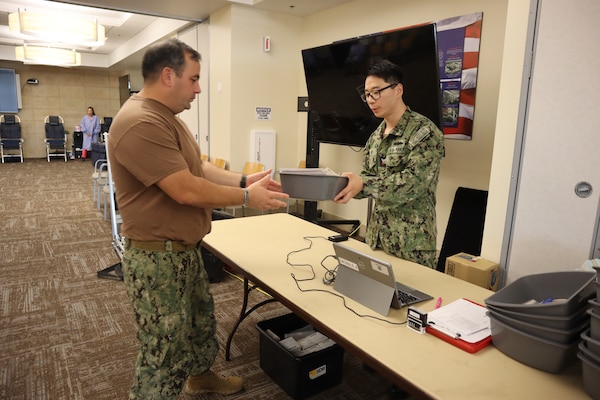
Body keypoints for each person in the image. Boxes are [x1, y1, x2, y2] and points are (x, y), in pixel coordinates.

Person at [108, 38, 289, 400]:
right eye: (194, 79)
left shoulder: (167, 118)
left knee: (198, 325)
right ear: (168, 75)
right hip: (157, 258)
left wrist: (243, 180)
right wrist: (245, 197)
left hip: (182, 250)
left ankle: (200, 377)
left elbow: (199, 168)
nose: (199, 88)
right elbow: (185, 189)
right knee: (164, 351)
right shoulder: (140, 121)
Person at [334, 58, 444, 269]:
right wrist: (346, 186)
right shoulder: (375, 137)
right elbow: (367, 176)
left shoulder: (424, 132)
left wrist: (364, 184)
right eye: (367, 94)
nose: (371, 100)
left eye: (376, 92)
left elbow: (414, 184)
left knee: (413, 300)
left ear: (398, 90)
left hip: (411, 244)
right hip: (377, 239)